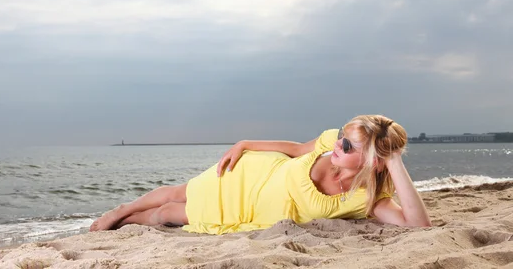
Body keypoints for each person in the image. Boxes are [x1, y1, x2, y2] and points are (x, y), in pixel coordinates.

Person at [90, 115, 431, 233]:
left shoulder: (367, 200)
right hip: (253, 175)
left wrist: (395, 161)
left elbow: (418, 225)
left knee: (168, 213)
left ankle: (125, 222)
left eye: (349, 146)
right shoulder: (329, 142)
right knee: (175, 191)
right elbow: (296, 149)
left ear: (373, 162)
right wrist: (245, 143)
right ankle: (120, 210)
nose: (338, 145)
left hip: (251, 212)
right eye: (342, 136)